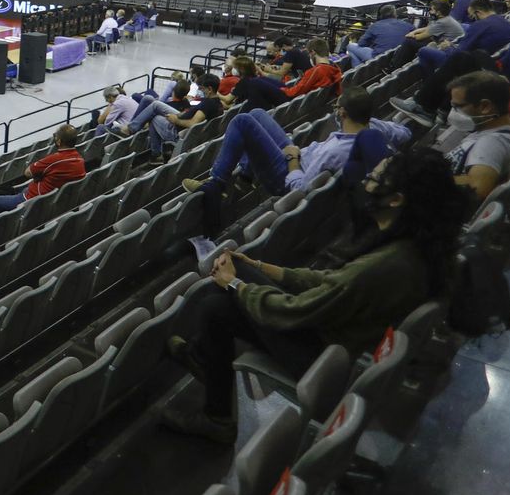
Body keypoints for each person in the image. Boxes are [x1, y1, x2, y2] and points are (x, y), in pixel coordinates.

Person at [161, 149, 470, 444]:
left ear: (396, 200)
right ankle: (206, 361)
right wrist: (258, 266)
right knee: (231, 285)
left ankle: (216, 412)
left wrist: (233, 284)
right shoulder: (414, 247)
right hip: (340, 339)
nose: (365, 182)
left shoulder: (386, 264)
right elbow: (334, 283)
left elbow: (293, 310)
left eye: (374, 179)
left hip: (323, 356)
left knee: (216, 306)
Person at [183, 86, 411, 256]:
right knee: (258, 114)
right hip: (299, 156)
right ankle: (245, 174)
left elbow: (300, 190)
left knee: (242, 121)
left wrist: (292, 160)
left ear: (342, 113)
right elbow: (404, 134)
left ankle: (217, 183)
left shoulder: (336, 151)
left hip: (288, 173)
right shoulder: (375, 127)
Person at [443, 71, 510, 201]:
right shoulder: (505, 132)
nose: (453, 112)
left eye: (458, 106)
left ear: (485, 106)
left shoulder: (491, 144)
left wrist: (433, 180)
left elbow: (477, 191)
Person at [0, 126, 86, 213]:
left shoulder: (54, 160)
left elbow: (27, 173)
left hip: (34, 201)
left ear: (59, 141)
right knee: (22, 189)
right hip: (53, 199)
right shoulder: (80, 161)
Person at [145, 74, 224, 159]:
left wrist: (176, 120)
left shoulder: (208, 104)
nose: (199, 91)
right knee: (155, 106)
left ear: (209, 89)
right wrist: (182, 114)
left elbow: (193, 123)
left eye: (201, 88)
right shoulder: (218, 103)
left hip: (180, 134)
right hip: (189, 129)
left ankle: (156, 154)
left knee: (154, 117)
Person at [217, 55, 288, 113]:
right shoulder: (255, 78)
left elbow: (227, 99)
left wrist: (215, 93)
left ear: (241, 69)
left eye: (235, 67)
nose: (233, 69)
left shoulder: (245, 82)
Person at [346, 6, 411, 67]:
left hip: (379, 58)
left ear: (381, 15)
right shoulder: (407, 25)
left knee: (350, 46)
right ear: (395, 14)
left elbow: (361, 43)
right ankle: (359, 71)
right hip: (400, 57)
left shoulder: (375, 25)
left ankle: (358, 71)